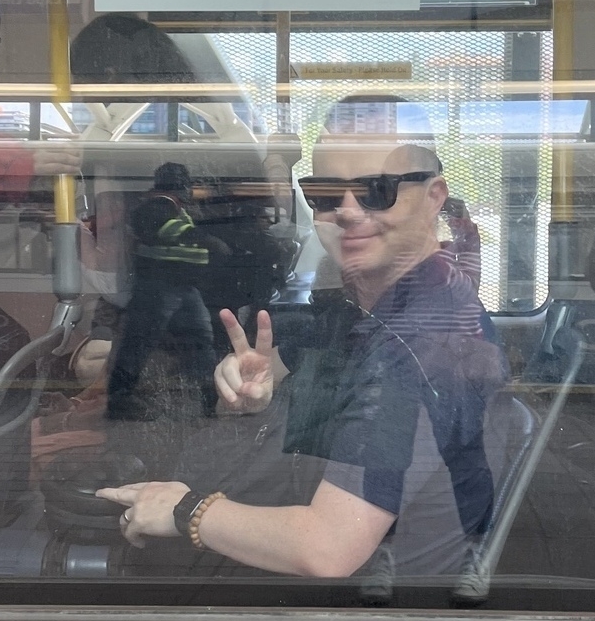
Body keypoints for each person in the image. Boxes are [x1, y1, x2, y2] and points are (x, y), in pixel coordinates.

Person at [95, 95, 507, 581]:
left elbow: (329, 547)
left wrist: (183, 510)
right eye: (326, 194)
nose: (348, 212)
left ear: (434, 196)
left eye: (377, 190)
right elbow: (296, 363)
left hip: (374, 608)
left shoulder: (423, 343)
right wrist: (254, 386)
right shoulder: (377, 310)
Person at [105, 161, 219, 421]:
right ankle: (119, 400)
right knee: (140, 343)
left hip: (182, 288)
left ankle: (211, 396)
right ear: (178, 184)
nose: (190, 189)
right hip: (159, 288)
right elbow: (166, 231)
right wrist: (208, 239)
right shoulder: (155, 207)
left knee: (200, 339)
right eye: (186, 183)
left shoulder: (173, 207)